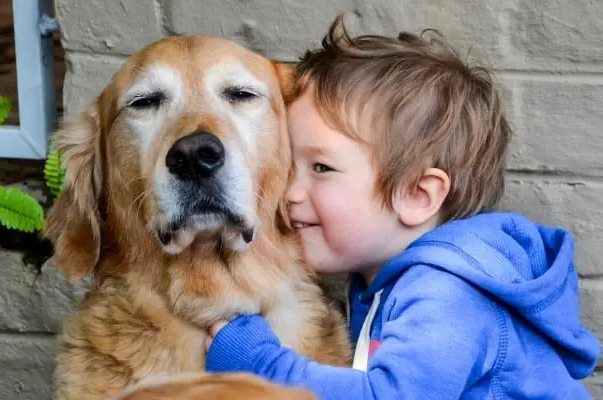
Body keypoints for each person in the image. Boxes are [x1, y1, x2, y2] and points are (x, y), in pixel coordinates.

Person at [203, 14, 600, 399]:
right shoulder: (386, 279)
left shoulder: (445, 295)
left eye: (321, 168)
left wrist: (258, 361)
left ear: (417, 196)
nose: (291, 192)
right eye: (292, 166)